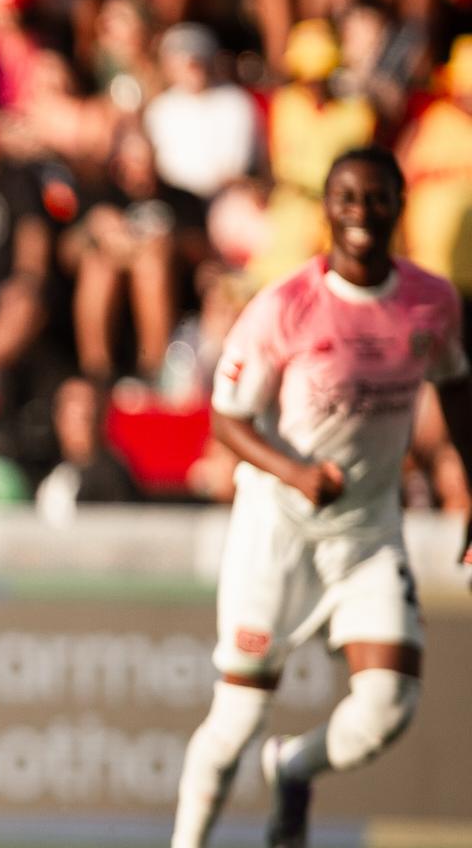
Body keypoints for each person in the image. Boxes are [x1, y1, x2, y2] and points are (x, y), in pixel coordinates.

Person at [171, 148, 471, 848]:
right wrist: (295, 473)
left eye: (376, 198)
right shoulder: (286, 305)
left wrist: (465, 483)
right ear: (327, 208)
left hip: (366, 532)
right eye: (347, 198)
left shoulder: (432, 301)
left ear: (401, 203)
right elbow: (226, 419)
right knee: (237, 720)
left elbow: (456, 384)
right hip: (276, 534)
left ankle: (294, 769)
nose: (361, 213)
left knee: (389, 706)